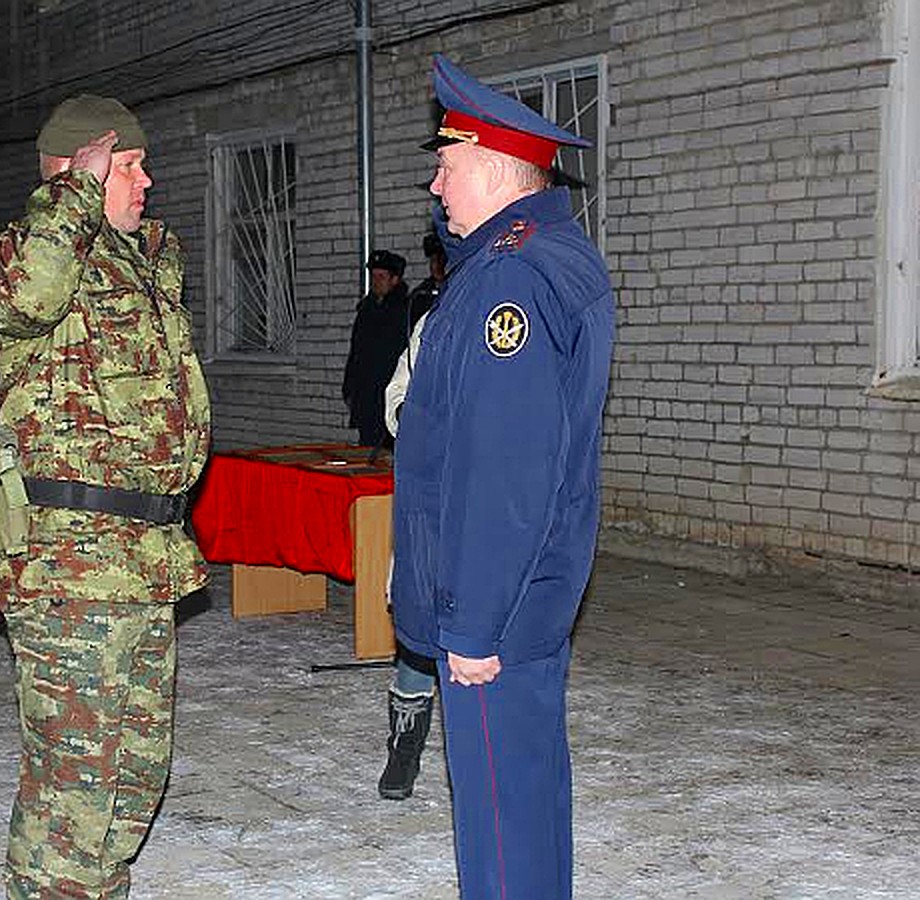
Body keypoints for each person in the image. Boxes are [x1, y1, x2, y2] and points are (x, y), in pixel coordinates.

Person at [0, 94, 211, 899]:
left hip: (144, 562)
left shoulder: (143, 263)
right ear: (85, 167)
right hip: (70, 567)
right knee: (75, 786)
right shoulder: (24, 259)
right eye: (131, 165)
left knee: (136, 774)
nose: (149, 180)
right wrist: (74, 192)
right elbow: (25, 297)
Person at [390, 54, 614, 899]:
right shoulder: (548, 253)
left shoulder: (506, 284)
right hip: (534, 587)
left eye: (447, 168)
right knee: (525, 796)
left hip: (497, 603)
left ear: (490, 168)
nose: (437, 188)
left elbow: (504, 467)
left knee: (497, 821)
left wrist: (473, 622)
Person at [375, 232, 445, 801]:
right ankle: (404, 746)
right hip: (431, 497)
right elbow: (398, 392)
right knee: (418, 628)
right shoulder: (433, 321)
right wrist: (413, 417)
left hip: (486, 504)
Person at [341, 249, 412, 449]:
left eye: (382, 277)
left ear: (394, 280)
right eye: (373, 276)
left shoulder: (404, 312)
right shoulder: (366, 310)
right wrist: (349, 388)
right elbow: (356, 352)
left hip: (390, 397)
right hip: (366, 398)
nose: (376, 281)